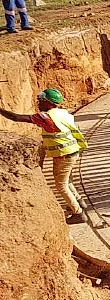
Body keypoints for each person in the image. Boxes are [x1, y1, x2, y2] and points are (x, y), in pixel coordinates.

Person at [0, 88, 89, 224]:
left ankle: (78, 213)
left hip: (63, 155)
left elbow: (15, 117)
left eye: (41, 101)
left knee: (61, 185)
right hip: (72, 151)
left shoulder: (46, 118)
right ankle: (79, 202)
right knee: (67, 180)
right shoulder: (61, 112)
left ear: (49, 103)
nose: (38, 103)